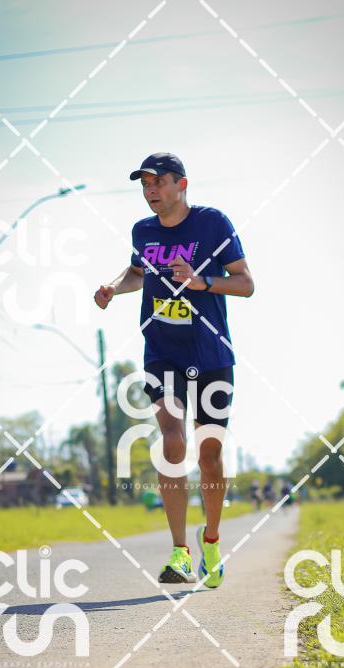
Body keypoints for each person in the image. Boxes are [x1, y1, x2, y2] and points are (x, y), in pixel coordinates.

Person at [94, 152, 254, 587]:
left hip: (210, 354)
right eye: (145, 185)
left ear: (181, 184)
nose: (150, 192)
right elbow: (137, 273)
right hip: (163, 350)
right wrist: (113, 287)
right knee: (171, 440)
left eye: (158, 183)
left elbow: (246, 284)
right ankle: (180, 552)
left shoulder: (212, 224)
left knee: (209, 457)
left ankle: (211, 541)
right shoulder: (143, 231)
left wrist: (202, 282)